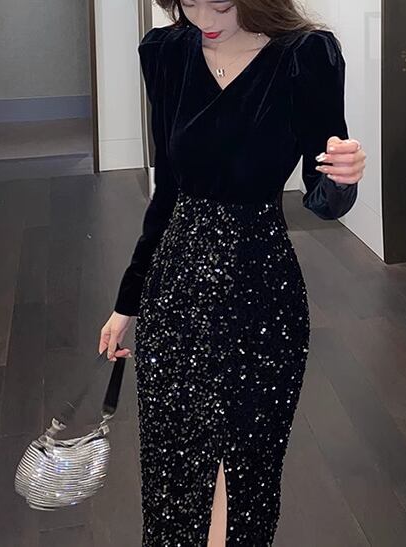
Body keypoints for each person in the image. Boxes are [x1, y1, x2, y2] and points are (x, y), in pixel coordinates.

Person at [99, 0, 366, 545]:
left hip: (262, 295)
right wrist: (129, 300)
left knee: (247, 466)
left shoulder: (305, 56)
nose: (203, 19)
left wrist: (343, 177)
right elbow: (167, 193)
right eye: (187, 2)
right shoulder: (165, 53)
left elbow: (323, 198)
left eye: (219, 3)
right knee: (177, 467)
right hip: (175, 295)